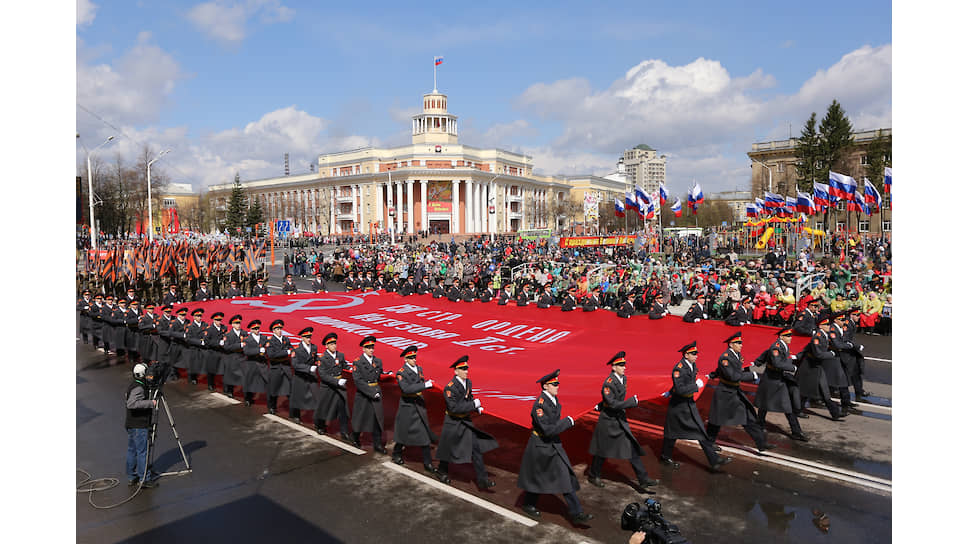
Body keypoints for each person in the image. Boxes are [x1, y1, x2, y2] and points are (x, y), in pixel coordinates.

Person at [517, 369, 594, 526]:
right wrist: (568, 422)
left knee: (564, 475)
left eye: (558, 383)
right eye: (555, 384)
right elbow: (547, 429)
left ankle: (576, 513)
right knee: (538, 477)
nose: (558, 386)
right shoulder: (539, 406)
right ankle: (528, 503)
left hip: (553, 445)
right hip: (541, 446)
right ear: (545, 386)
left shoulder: (553, 400)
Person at [587, 352, 658, 491]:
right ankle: (593, 474)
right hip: (608, 421)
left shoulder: (623, 379)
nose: (624, 367)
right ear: (613, 367)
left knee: (631, 448)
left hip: (618, 420)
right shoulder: (609, 383)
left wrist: (602, 404)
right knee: (602, 451)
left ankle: (643, 479)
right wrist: (631, 402)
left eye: (624, 364)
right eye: (621, 365)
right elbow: (613, 403)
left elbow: (613, 400)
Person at [660, 342, 731, 471]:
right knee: (671, 433)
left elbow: (680, 384)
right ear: (686, 355)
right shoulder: (679, 368)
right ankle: (665, 457)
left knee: (700, 431)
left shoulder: (691, 365)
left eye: (696, 353)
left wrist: (670, 391)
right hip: (679, 406)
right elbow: (680, 388)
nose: (696, 356)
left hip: (688, 404)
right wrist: (695, 386)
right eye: (693, 354)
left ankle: (714, 460)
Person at [705, 332, 775, 452]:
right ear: (731, 344)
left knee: (748, 417)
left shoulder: (736, 355)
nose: (741, 345)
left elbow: (724, 370)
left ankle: (761, 443)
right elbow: (732, 375)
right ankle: (708, 443)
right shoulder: (725, 357)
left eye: (741, 343)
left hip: (735, 392)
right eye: (738, 343)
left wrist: (713, 374)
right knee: (716, 420)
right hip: (725, 393)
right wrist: (751, 375)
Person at [436, 355, 499, 488]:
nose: (466, 371)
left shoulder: (468, 383)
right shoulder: (450, 388)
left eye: (466, 368)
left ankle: (482, 480)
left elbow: (469, 399)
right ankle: (441, 471)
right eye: (463, 369)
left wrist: (476, 407)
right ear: (456, 371)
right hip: (453, 422)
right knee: (448, 450)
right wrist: (473, 405)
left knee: (475, 449)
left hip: (465, 421)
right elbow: (454, 407)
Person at [390, 346, 441, 476]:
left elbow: (421, 381)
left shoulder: (419, 369)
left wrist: (427, 385)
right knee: (403, 433)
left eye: (414, 357)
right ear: (406, 359)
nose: (414, 360)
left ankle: (428, 463)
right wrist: (425, 385)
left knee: (423, 435)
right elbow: (406, 389)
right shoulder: (401, 373)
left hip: (418, 404)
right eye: (411, 358)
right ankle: (396, 453)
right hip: (407, 405)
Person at [754, 328, 808, 442]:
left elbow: (767, 354)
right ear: (781, 337)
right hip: (772, 379)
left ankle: (796, 431)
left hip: (778, 379)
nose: (790, 338)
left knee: (785, 406)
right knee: (765, 404)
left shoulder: (782, 346)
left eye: (790, 336)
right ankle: (759, 424)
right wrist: (792, 368)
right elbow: (776, 363)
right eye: (788, 336)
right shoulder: (776, 347)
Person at [796, 316, 843, 421]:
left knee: (824, 390)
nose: (829, 326)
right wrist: (831, 354)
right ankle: (798, 410)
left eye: (829, 324)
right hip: (810, 367)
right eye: (826, 325)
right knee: (805, 391)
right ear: (820, 326)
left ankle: (835, 413)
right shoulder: (817, 337)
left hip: (817, 367)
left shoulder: (824, 335)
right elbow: (818, 354)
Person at [351, 335, 388, 453]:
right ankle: (355, 437)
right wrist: (372, 392)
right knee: (360, 418)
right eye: (368, 347)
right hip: (364, 394)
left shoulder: (378, 361)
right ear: (363, 349)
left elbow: (379, 375)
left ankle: (377, 444)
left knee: (377, 420)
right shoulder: (358, 362)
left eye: (372, 347)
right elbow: (358, 381)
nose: (371, 349)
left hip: (375, 392)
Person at [125, 363, 159, 488]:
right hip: (139, 425)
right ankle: (144, 478)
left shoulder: (134, 385)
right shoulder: (138, 388)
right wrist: (151, 403)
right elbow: (132, 404)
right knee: (142, 452)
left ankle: (131, 476)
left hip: (132, 423)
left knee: (132, 450)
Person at [313, 332, 351, 439]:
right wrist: (336, 382)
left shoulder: (340, 355)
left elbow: (344, 365)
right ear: (326, 346)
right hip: (328, 387)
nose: (334, 346)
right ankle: (320, 425)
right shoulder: (322, 358)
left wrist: (350, 369)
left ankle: (344, 431)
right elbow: (323, 375)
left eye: (335, 343)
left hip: (339, 388)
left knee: (342, 408)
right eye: (331, 344)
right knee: (324, 407)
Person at [827, 311, 857, 415]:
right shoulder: (832, 329)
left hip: (840, 357)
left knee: (842, 380)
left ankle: (846, 402)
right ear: (835, 320)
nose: (844, 322)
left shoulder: (839, 329)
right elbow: (837, 344)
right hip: (833, 358)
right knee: (840, 381)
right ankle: (845, 403)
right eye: (842, 320)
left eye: (844, 319)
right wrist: (850, 346)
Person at [290, 327, 320, 423]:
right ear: (302, 337)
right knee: (298, 397)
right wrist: (308, 368)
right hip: (300, 376)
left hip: (311, 377)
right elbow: (295, 364)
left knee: (316, 397)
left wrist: (319, 362)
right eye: (306, 337)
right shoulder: (296, 350)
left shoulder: (314, 347)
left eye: (310, 337)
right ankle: (296, 416)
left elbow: (316, 358)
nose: (308, 339)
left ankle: (318, 422)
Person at [265, 319, 293, 416]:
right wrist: (286, 352)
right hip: (276, 368)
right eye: (277, 329)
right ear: (273, 330)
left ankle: (293, 411)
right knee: (274, 389)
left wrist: (291, 351)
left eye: (280, 328)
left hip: (285, 367)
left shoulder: (286, 339)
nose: (279, 330)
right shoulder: (270, 341)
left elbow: (292, 349)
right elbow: (271, 355)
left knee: (290, 389)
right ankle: (272, 407)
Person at [242, 320, 270, 407]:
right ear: (251, 330)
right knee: (249, 382)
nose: (257, 330)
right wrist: (258, 350)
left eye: (258, 328)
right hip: (252, 363)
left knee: (268, 381)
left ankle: (271, 403)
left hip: (262, 363)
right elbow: (246, 351)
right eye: (255, 328)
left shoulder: (263, 338)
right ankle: (248, 398)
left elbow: (268, 346)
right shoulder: (247, 339)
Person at [843, 309, 870, 398]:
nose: (858, 317)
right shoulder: (847, 323)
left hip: (851, 350)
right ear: (851, 315)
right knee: (848, 373)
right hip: (846, 352)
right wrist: (857, 346)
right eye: (857, 315)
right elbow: (845, 339)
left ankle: (859, 391)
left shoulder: (851, 323)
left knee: (856, 371)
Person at [220, 315, 246, 398]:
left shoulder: (244, 333)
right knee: (231, 375)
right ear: (232, 324)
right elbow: (227, 347)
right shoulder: (228, 335)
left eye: (239, 323)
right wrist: (239, 345)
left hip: (242, 357)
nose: (238, 325)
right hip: (232, 356)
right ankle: (230, 391)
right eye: (236, 323)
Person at [203, 312, 226, 392]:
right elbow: (206, 341)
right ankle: (210, 384)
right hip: (212, 352)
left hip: (221, 352)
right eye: (217, 320)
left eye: (220, 320)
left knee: (223, 370)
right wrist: (218, 343)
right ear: (214, 320)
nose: (219, 321)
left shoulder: (224, 327)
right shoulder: (209, 329)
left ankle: (225, 387)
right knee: (211, 370)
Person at [185, 309, 207, 385]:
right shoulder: (190, 327)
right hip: (194, 348)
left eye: (200, 316)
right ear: (194, 317)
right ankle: (192, 377)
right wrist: (199, 341)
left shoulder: (205, 325)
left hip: (202, 348)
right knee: (193, 364)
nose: (199, 317)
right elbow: (188, 339)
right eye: (197, 316)